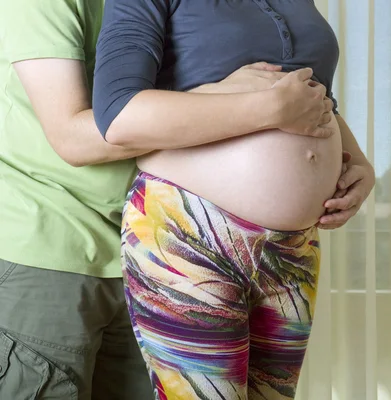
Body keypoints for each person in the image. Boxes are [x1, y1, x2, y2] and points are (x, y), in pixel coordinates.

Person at [0, 1, 332, 399]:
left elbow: (280, 83)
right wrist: (230, 102)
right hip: (59, 243)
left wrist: (349, 158)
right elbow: (80, 134)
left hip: (143, 241)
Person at [92, 0, 376, 399]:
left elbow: (316, 97)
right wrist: (267, 108)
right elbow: (119, 115)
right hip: (188, 234)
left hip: (292, 249)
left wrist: (358, 162)